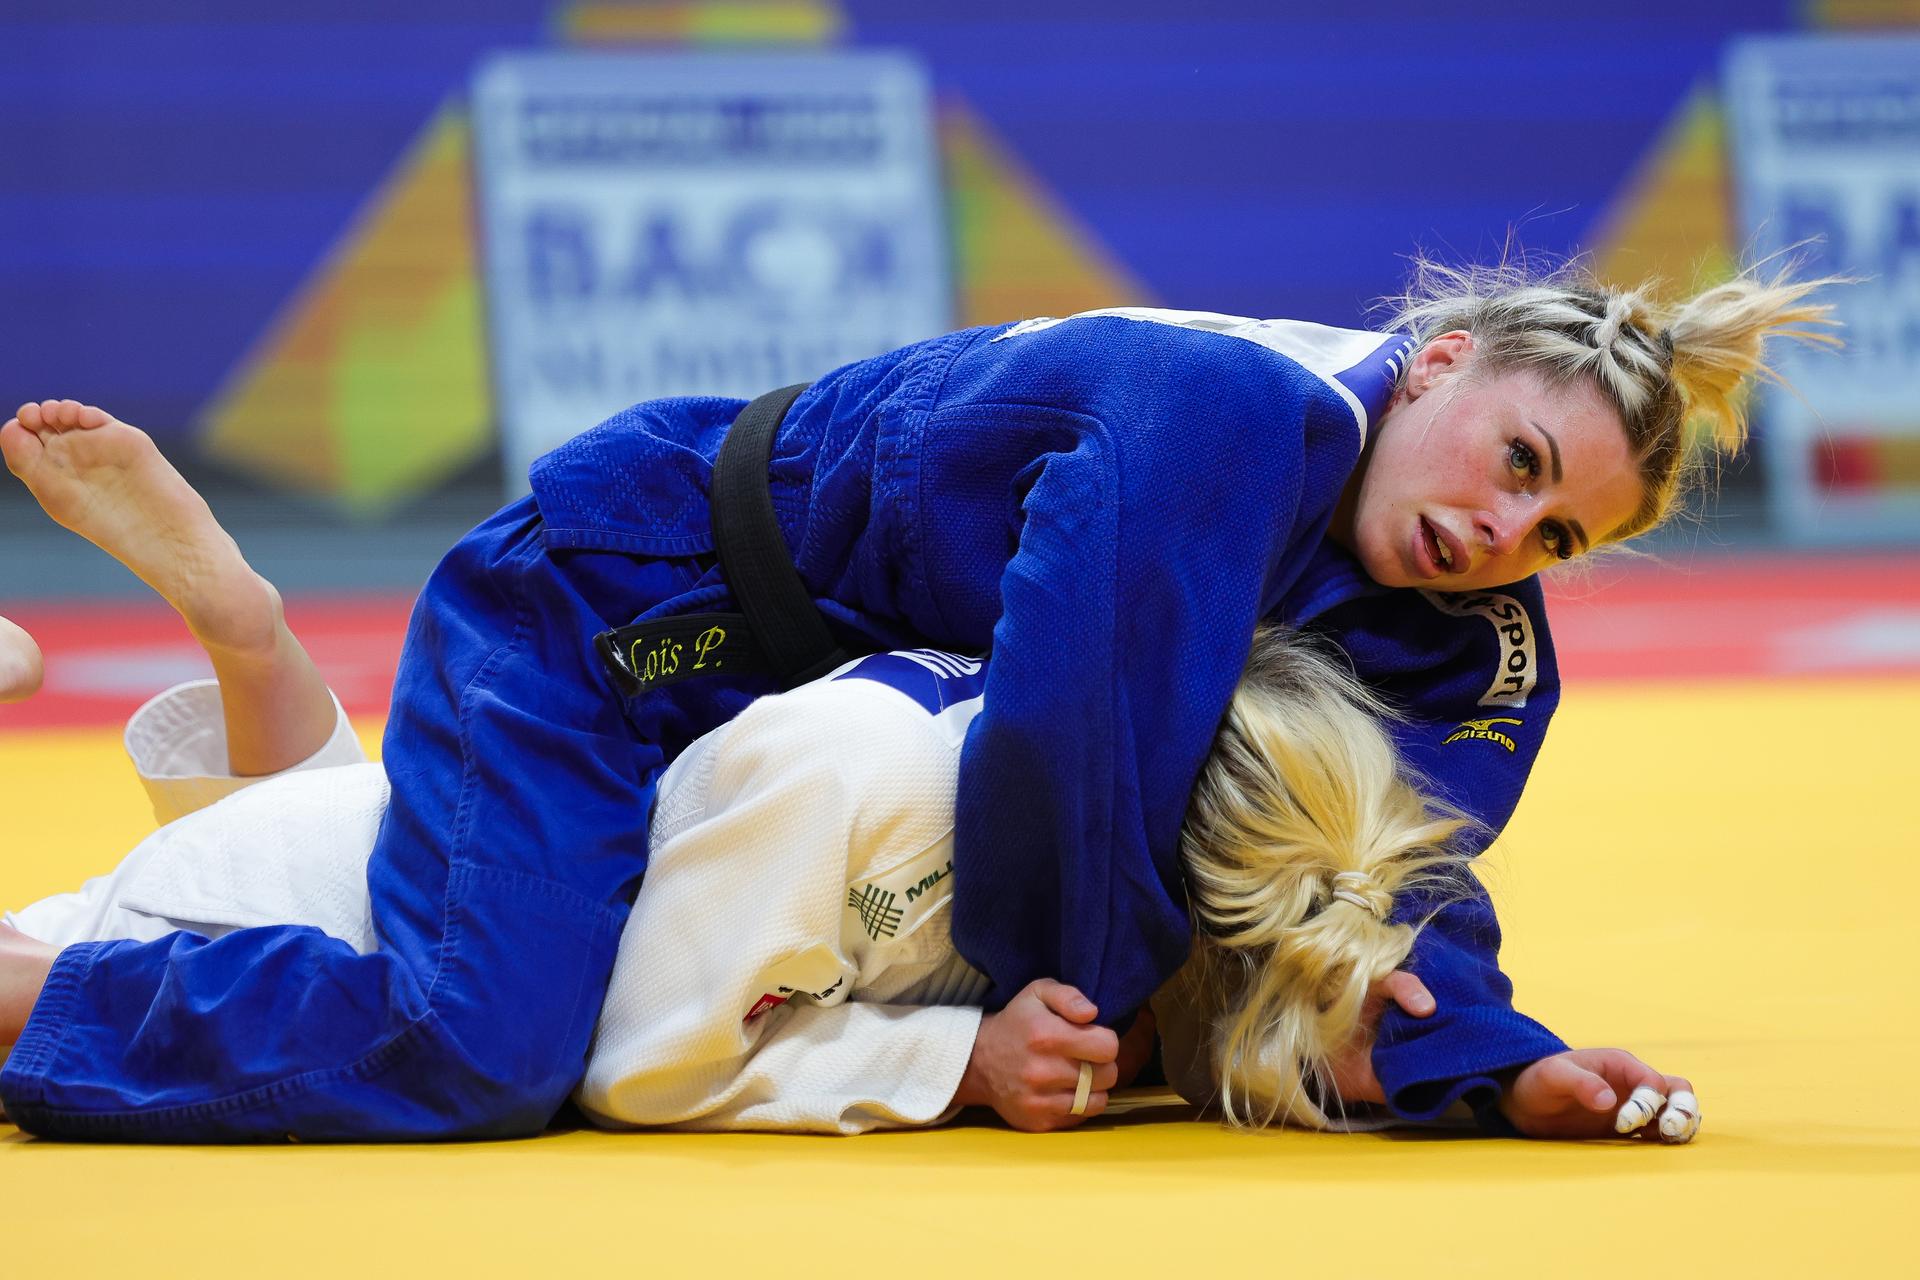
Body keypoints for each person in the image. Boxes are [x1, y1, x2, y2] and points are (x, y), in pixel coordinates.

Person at [0, 255, 1830, 1141]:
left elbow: (1372, 861)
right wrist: (1049, 1029)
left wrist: (1489, 1065)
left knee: (455, 889)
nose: (1505, 531)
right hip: (623, 609)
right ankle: (35, 998)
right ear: (1432, 363)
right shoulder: (1231, 409)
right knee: (490, 1038)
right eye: (1513, 458)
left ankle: (260, 684)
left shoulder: (1473, 624)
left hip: (816, 715)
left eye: (1561, 531)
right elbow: (1064, 722)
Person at [1, 584, 1697, 1139]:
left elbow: (1386, 940)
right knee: (455, 1051)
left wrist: (1506, 1065)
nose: (1341, 1072)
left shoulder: (1141, 835)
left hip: (405, 848)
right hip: (265, 915)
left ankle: (244, 636)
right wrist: (942, 1063)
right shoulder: (877, 773)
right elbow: (637, 1052)